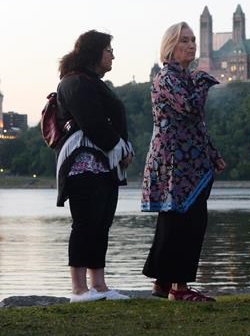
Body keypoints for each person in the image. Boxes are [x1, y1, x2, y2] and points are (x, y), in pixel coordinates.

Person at [141, 21, 226, 302]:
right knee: (186, 221)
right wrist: (203, 81)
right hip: (175, 162)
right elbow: (191, 107)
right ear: (170, 47)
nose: (191, 45)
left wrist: (212, 154)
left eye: (192, 40)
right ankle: (179, 287)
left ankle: (163, 282)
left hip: (190, 160)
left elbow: (195, 124)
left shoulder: (184, 77)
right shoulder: (167, 77)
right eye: (184, 41)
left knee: (179, 219)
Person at [55, 30, 134, 303]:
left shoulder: (92, 82)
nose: (112, 55)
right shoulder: (74, 82)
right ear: (94, 52)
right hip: (82, 164)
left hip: (104, 164)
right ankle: (79, 289)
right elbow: (93, 122)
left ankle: (99, 285)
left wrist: (122, 147)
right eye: (108, 50)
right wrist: (121, 147)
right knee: (85, 223)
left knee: (101, 224)